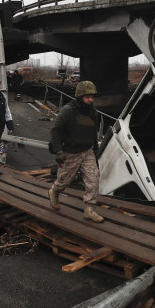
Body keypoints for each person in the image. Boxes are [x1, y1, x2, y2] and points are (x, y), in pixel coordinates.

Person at [48, 80, 104, 223]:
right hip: (71, 152)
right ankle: (54, 191)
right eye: (87, 97)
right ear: (80, 96)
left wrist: (96, 151)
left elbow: (93, 133)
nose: (90, 100)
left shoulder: (93, 112)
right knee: (64, 181)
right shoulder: (68, 110)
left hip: (87, 151)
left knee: (94, 179)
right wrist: (59, 152)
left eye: (92, 97)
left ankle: (89, 210)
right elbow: (55, 131)